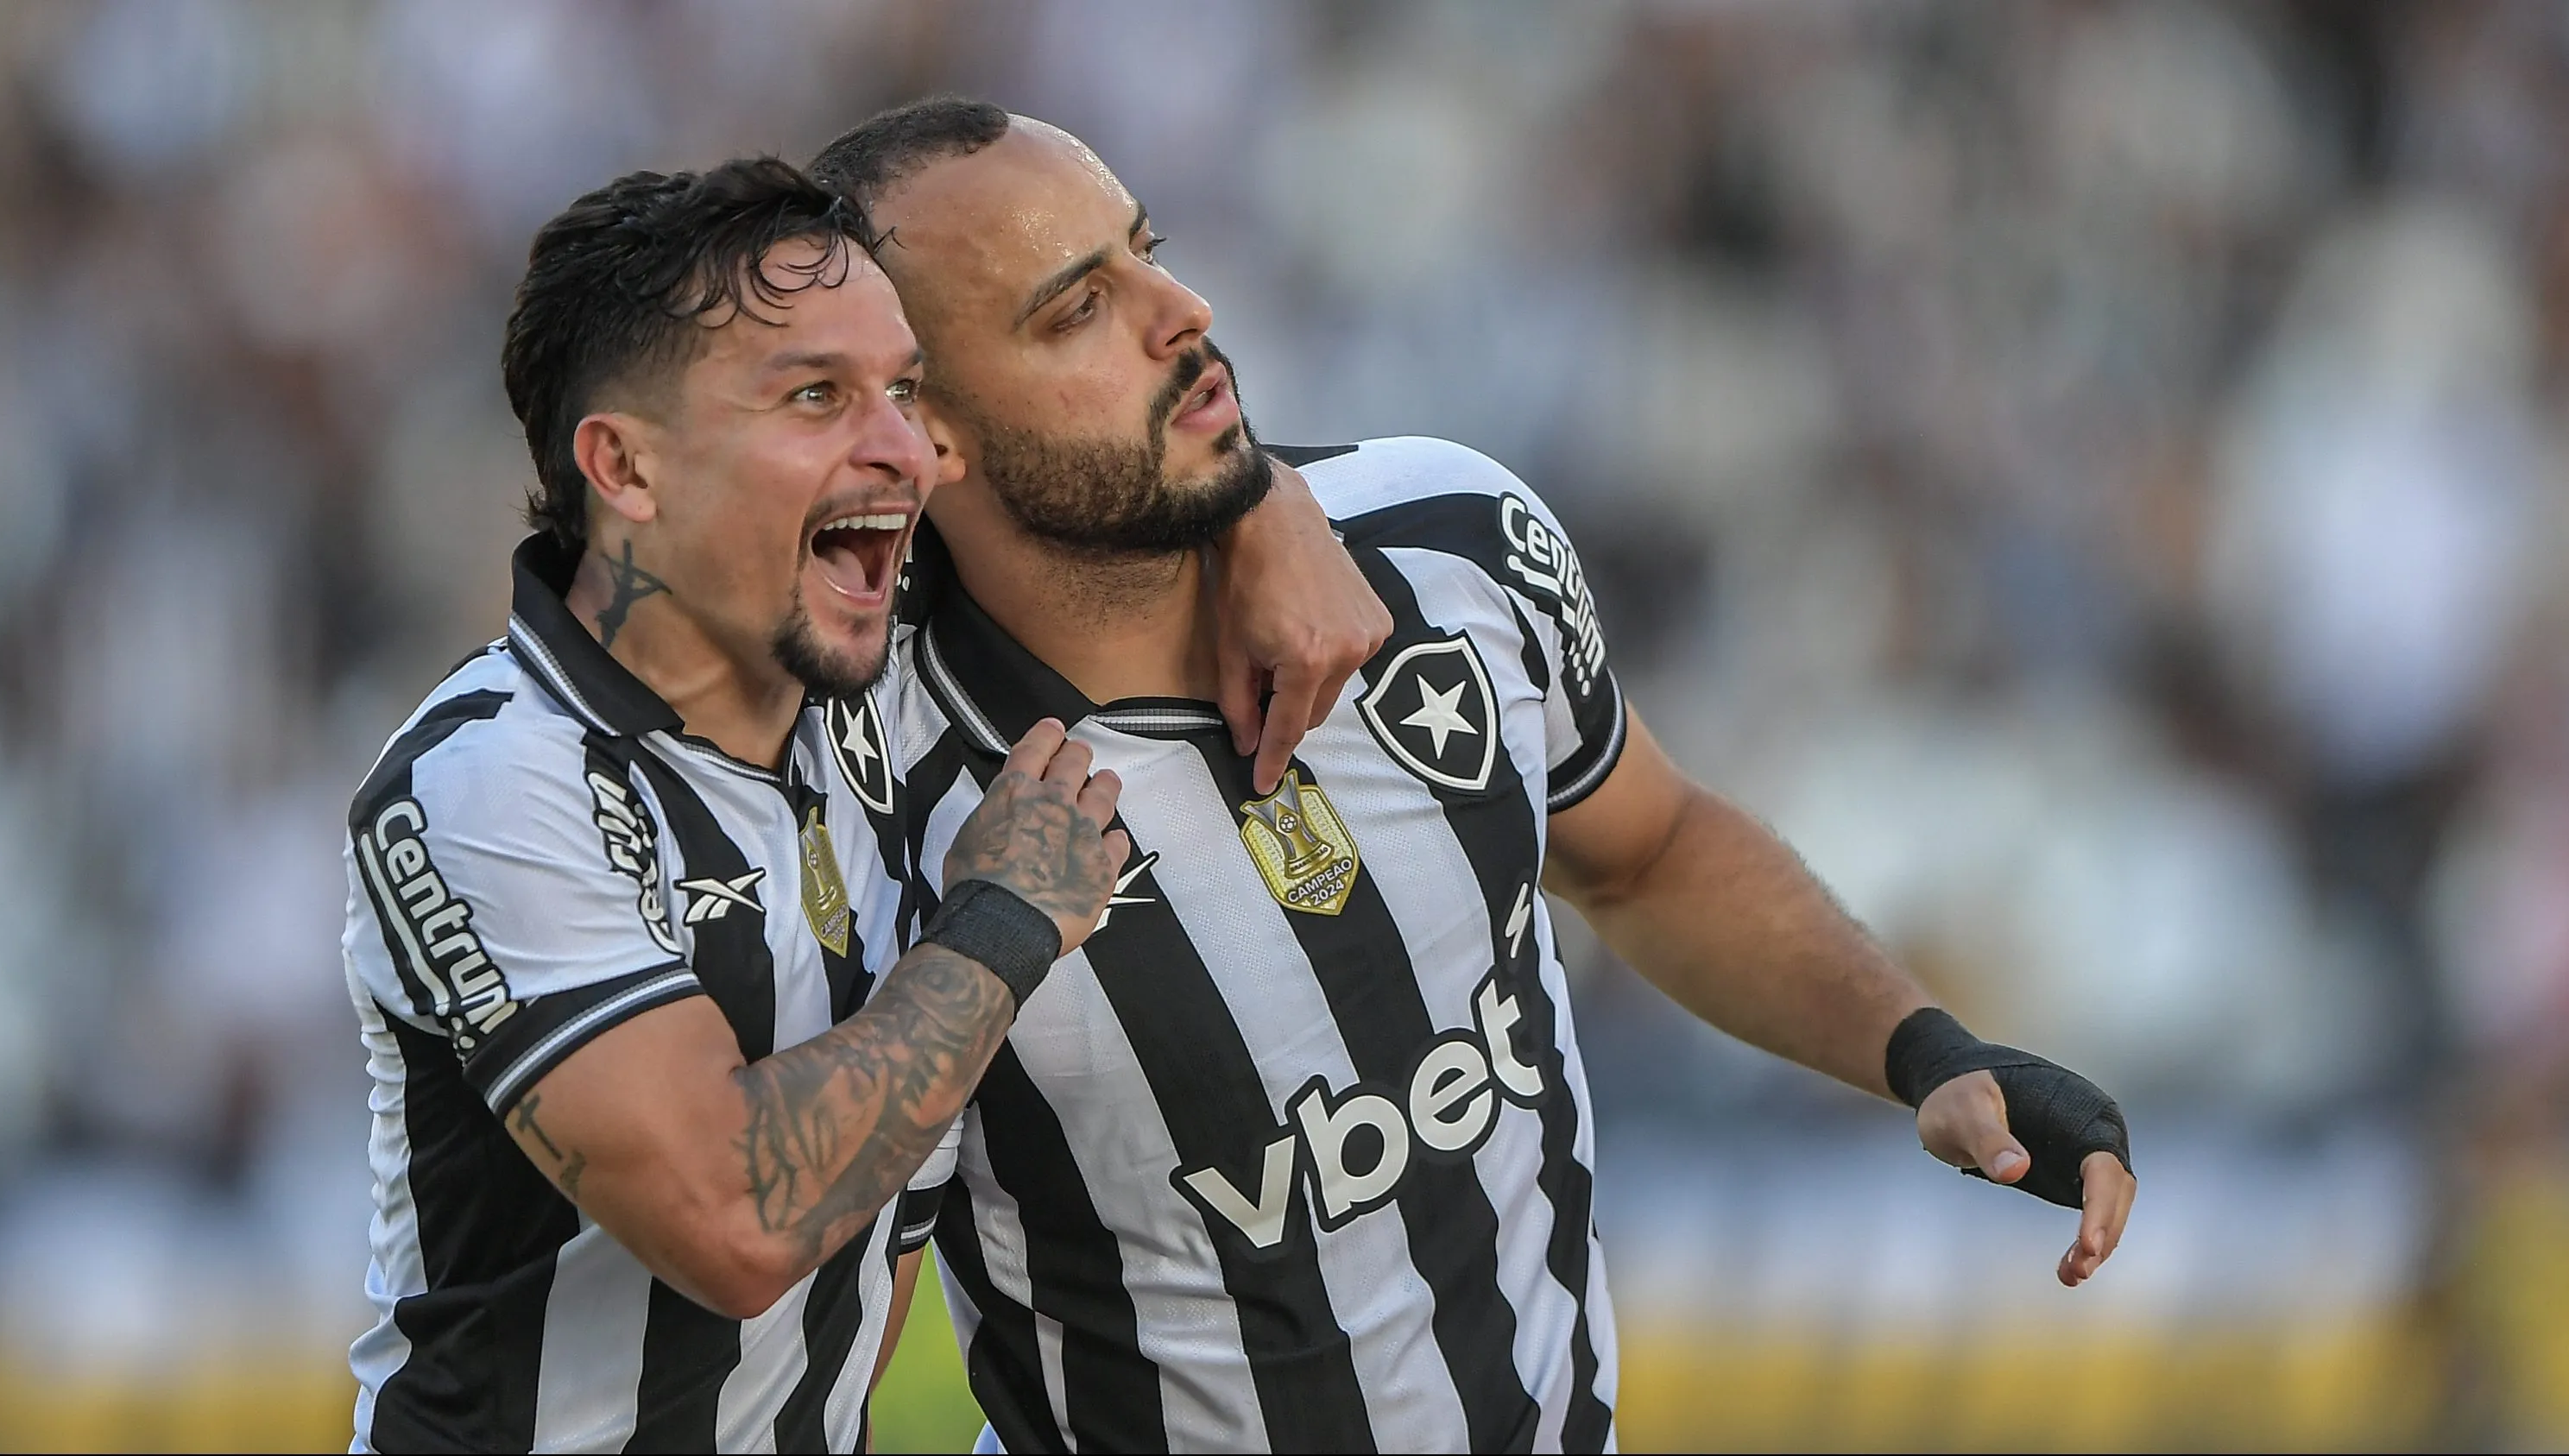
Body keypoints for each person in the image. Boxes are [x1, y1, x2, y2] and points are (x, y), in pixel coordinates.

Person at [810, 101, 2139, 1454]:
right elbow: (820, 1309)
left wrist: (1923, 1048)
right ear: (925, 430)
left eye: (1145, 250)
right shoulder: (865, 797)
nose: (1182, 310)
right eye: (1079, 308)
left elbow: (1648, 851)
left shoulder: (1449, 544)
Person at [340, 157, 1382, 1453]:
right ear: (627, 468)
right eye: (816, 397)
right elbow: (736, 1218)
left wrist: (1267, 509)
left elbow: (1091, 464)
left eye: (902, 388)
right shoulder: (493, 780)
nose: (904, 447)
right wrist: (1001, 921)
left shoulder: (857, 657)